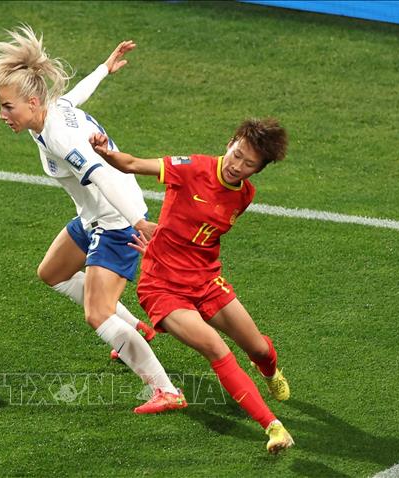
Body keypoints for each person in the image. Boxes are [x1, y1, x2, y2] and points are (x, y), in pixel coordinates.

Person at [0, 25, 185, 414]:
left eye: (7, 107)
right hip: (93, 215)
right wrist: (104, 69)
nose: (2, 114)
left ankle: (166, 390)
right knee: (52, 273)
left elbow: (100, 175)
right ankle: (134, 329)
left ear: (33, 102)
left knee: (97, 313)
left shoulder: (59, 138)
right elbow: (74, 96)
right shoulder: (50, 112)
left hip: (115, 220)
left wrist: (138, 222)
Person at [89, 118, 294, 454]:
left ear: (258, 170)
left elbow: (199, 235)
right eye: (237, 154)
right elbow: (132, 164)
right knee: (216, 349)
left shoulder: (245, 195)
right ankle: (274, 427)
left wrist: (165, 244)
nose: (237, 166)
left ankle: (269, 372)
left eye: (248, 164)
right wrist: (105, 152)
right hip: (162, 286)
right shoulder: (191, 168)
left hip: (206, 280)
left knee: (258, 348)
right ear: (230, 143)